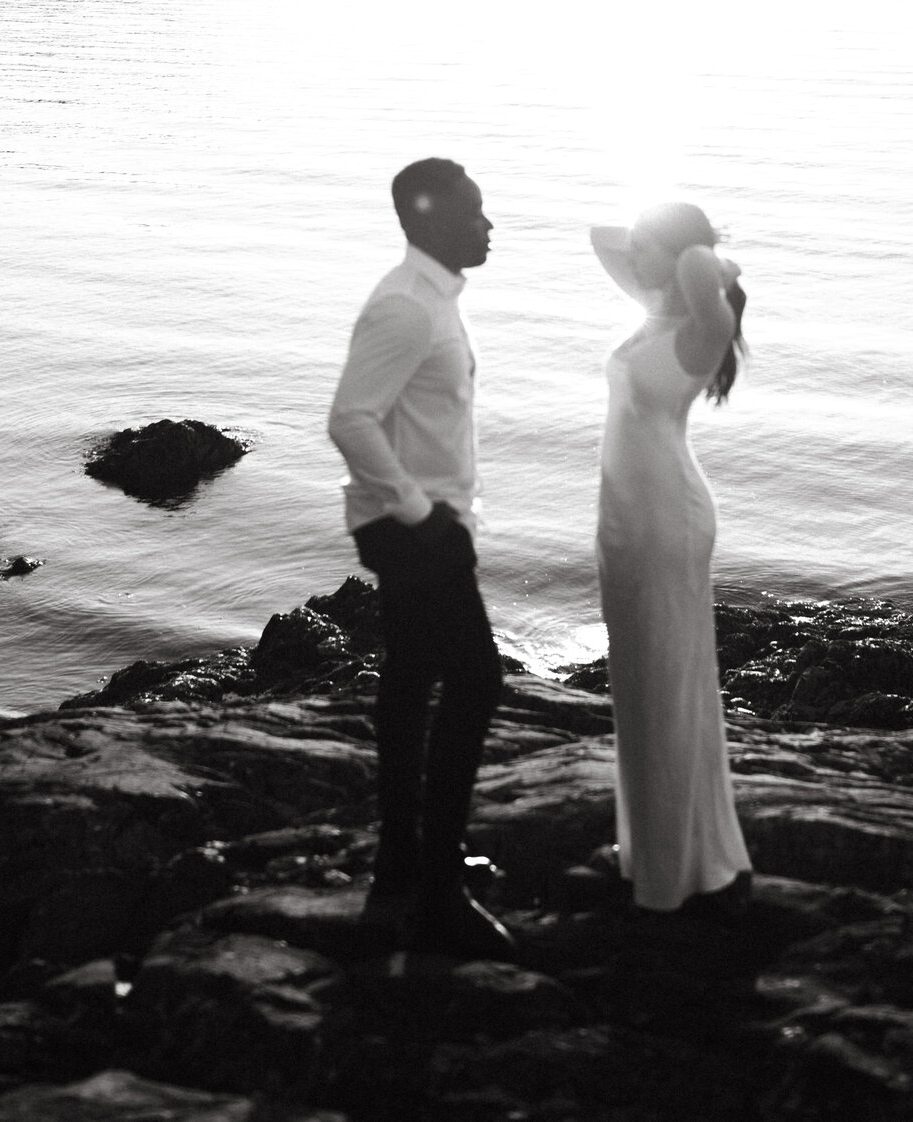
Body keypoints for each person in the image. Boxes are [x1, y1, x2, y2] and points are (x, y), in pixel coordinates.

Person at [328, 158, 514, 960]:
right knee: (477, 680)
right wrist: (420, 512)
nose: (489, 222)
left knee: (409, 680)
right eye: (475, 210)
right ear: (432, 219)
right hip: (414, 532)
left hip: (427, 524)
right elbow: (350, 420)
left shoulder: (432, 299)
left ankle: (401, 859)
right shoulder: (407, 308)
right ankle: (438, 890)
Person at [590, 202, 753, 919]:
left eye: (650, 247)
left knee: (668, 683)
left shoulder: (700, 332)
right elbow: (601, 240)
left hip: (666, 520)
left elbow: (698, 286)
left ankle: (683, 871)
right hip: (626, 518)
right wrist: (684, 254)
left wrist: (705, 259)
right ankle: (648, 853)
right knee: (640, 685)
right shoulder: (658, 309)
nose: (634, 255)